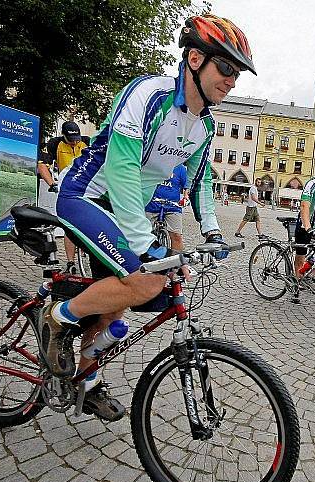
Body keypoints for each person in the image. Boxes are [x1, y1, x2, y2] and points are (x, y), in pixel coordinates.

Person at [40, 14, 256, 421]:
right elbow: (121, 170)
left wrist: (212, 231)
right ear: (195, 59)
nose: (232, 80)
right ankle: (55, 319)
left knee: (127, 300)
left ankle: (86, 377)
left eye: (238, 74)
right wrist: (144, 244)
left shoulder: (203, 127)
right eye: (226, 67)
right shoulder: (150, 94)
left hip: (126, 213)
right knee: (145, 277)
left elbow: (200, 181)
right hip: (86, 197)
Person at [37, 121, 90, 274]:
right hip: (67, 188)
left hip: (88, 186)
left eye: (76, 139)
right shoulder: (54, 144)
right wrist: (52, 183)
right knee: (70, 226)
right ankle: (71, 262)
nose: (74, 142)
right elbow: (42, 166)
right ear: (63, 136)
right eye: (71, 139)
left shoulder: (86, 142)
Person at [145, 164, 189, 251]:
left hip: (173, 206)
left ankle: (178, 262)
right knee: (144, 234)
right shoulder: (155, 163)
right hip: (152, 204)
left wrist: (185, 197)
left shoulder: (181, 169)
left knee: (177, 236)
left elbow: (186, 187)